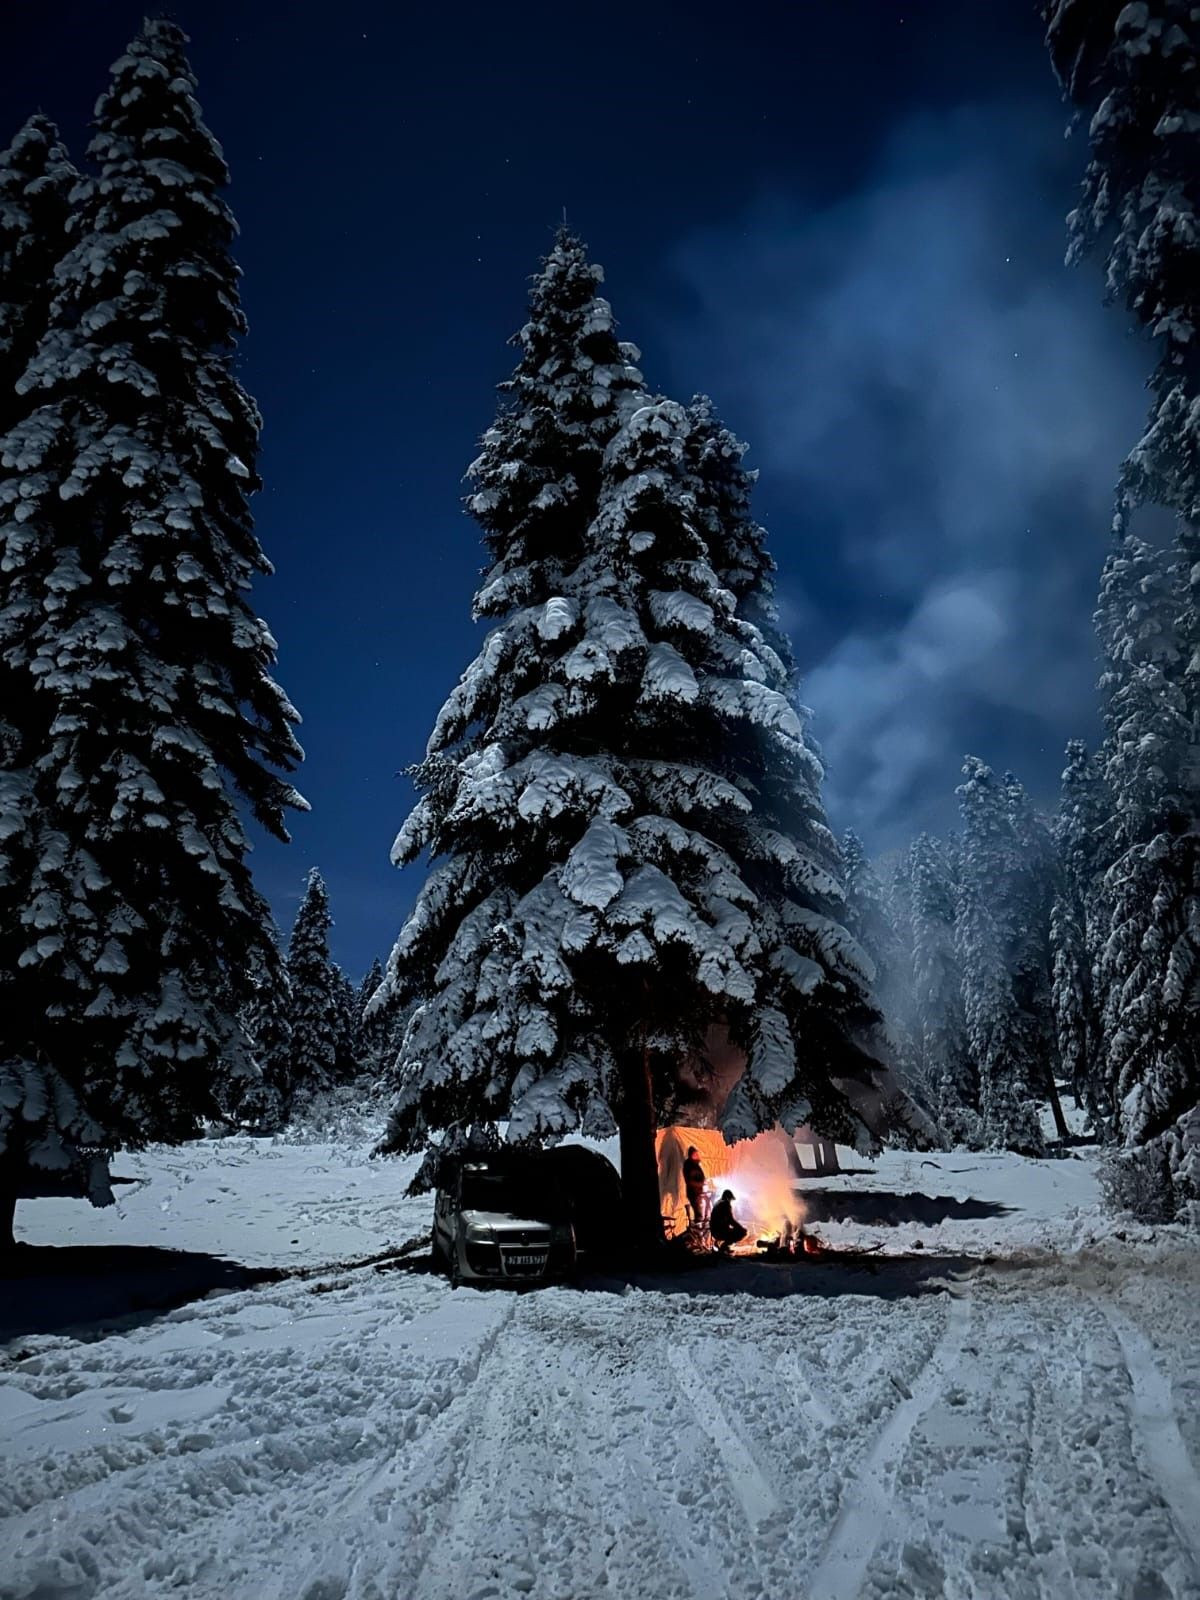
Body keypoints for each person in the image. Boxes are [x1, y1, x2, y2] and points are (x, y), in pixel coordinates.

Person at [709, 1190, 747, 1255]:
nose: (730, 1201)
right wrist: (741, 1229)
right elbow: (730, 1220)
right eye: (730, 1199)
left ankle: (720, 1246)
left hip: (714, 1231)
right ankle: (723, 1248)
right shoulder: (725, 1204)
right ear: (727, 1198)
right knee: (742, 1233)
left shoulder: (718, 1203)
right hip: (720, 1231)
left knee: (734, 1230)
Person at [683, 1146, 707, 1229]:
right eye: (695, 1154)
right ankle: (697, 1232)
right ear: (691, 1155)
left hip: (698, 1192)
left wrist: (704, 1182)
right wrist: (700, 1184)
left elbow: (701, 1176)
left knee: (702, 1213)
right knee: (699, 1214)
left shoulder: (696, 1165)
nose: (697, 1155)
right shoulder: (689, 1165)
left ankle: (699, 1231)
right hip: (693, 1192)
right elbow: (690, 1181)